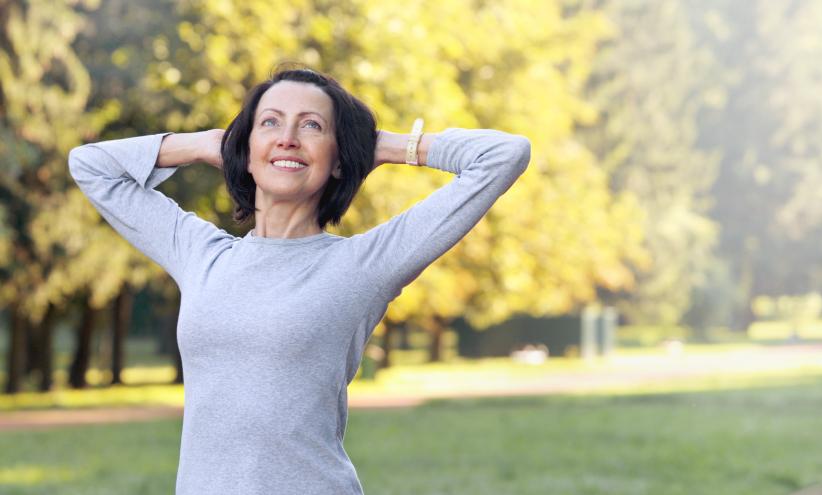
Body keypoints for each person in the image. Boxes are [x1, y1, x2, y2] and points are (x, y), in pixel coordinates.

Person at [68, 67, 530, 494]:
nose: (287, 139)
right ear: (246, 151)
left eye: (312, 126)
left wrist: (383, 146)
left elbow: (504, 155)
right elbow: (91, 165)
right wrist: (208, 143)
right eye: (269, 123)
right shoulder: (201, 254)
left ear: (338, 159)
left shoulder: (363, 265)